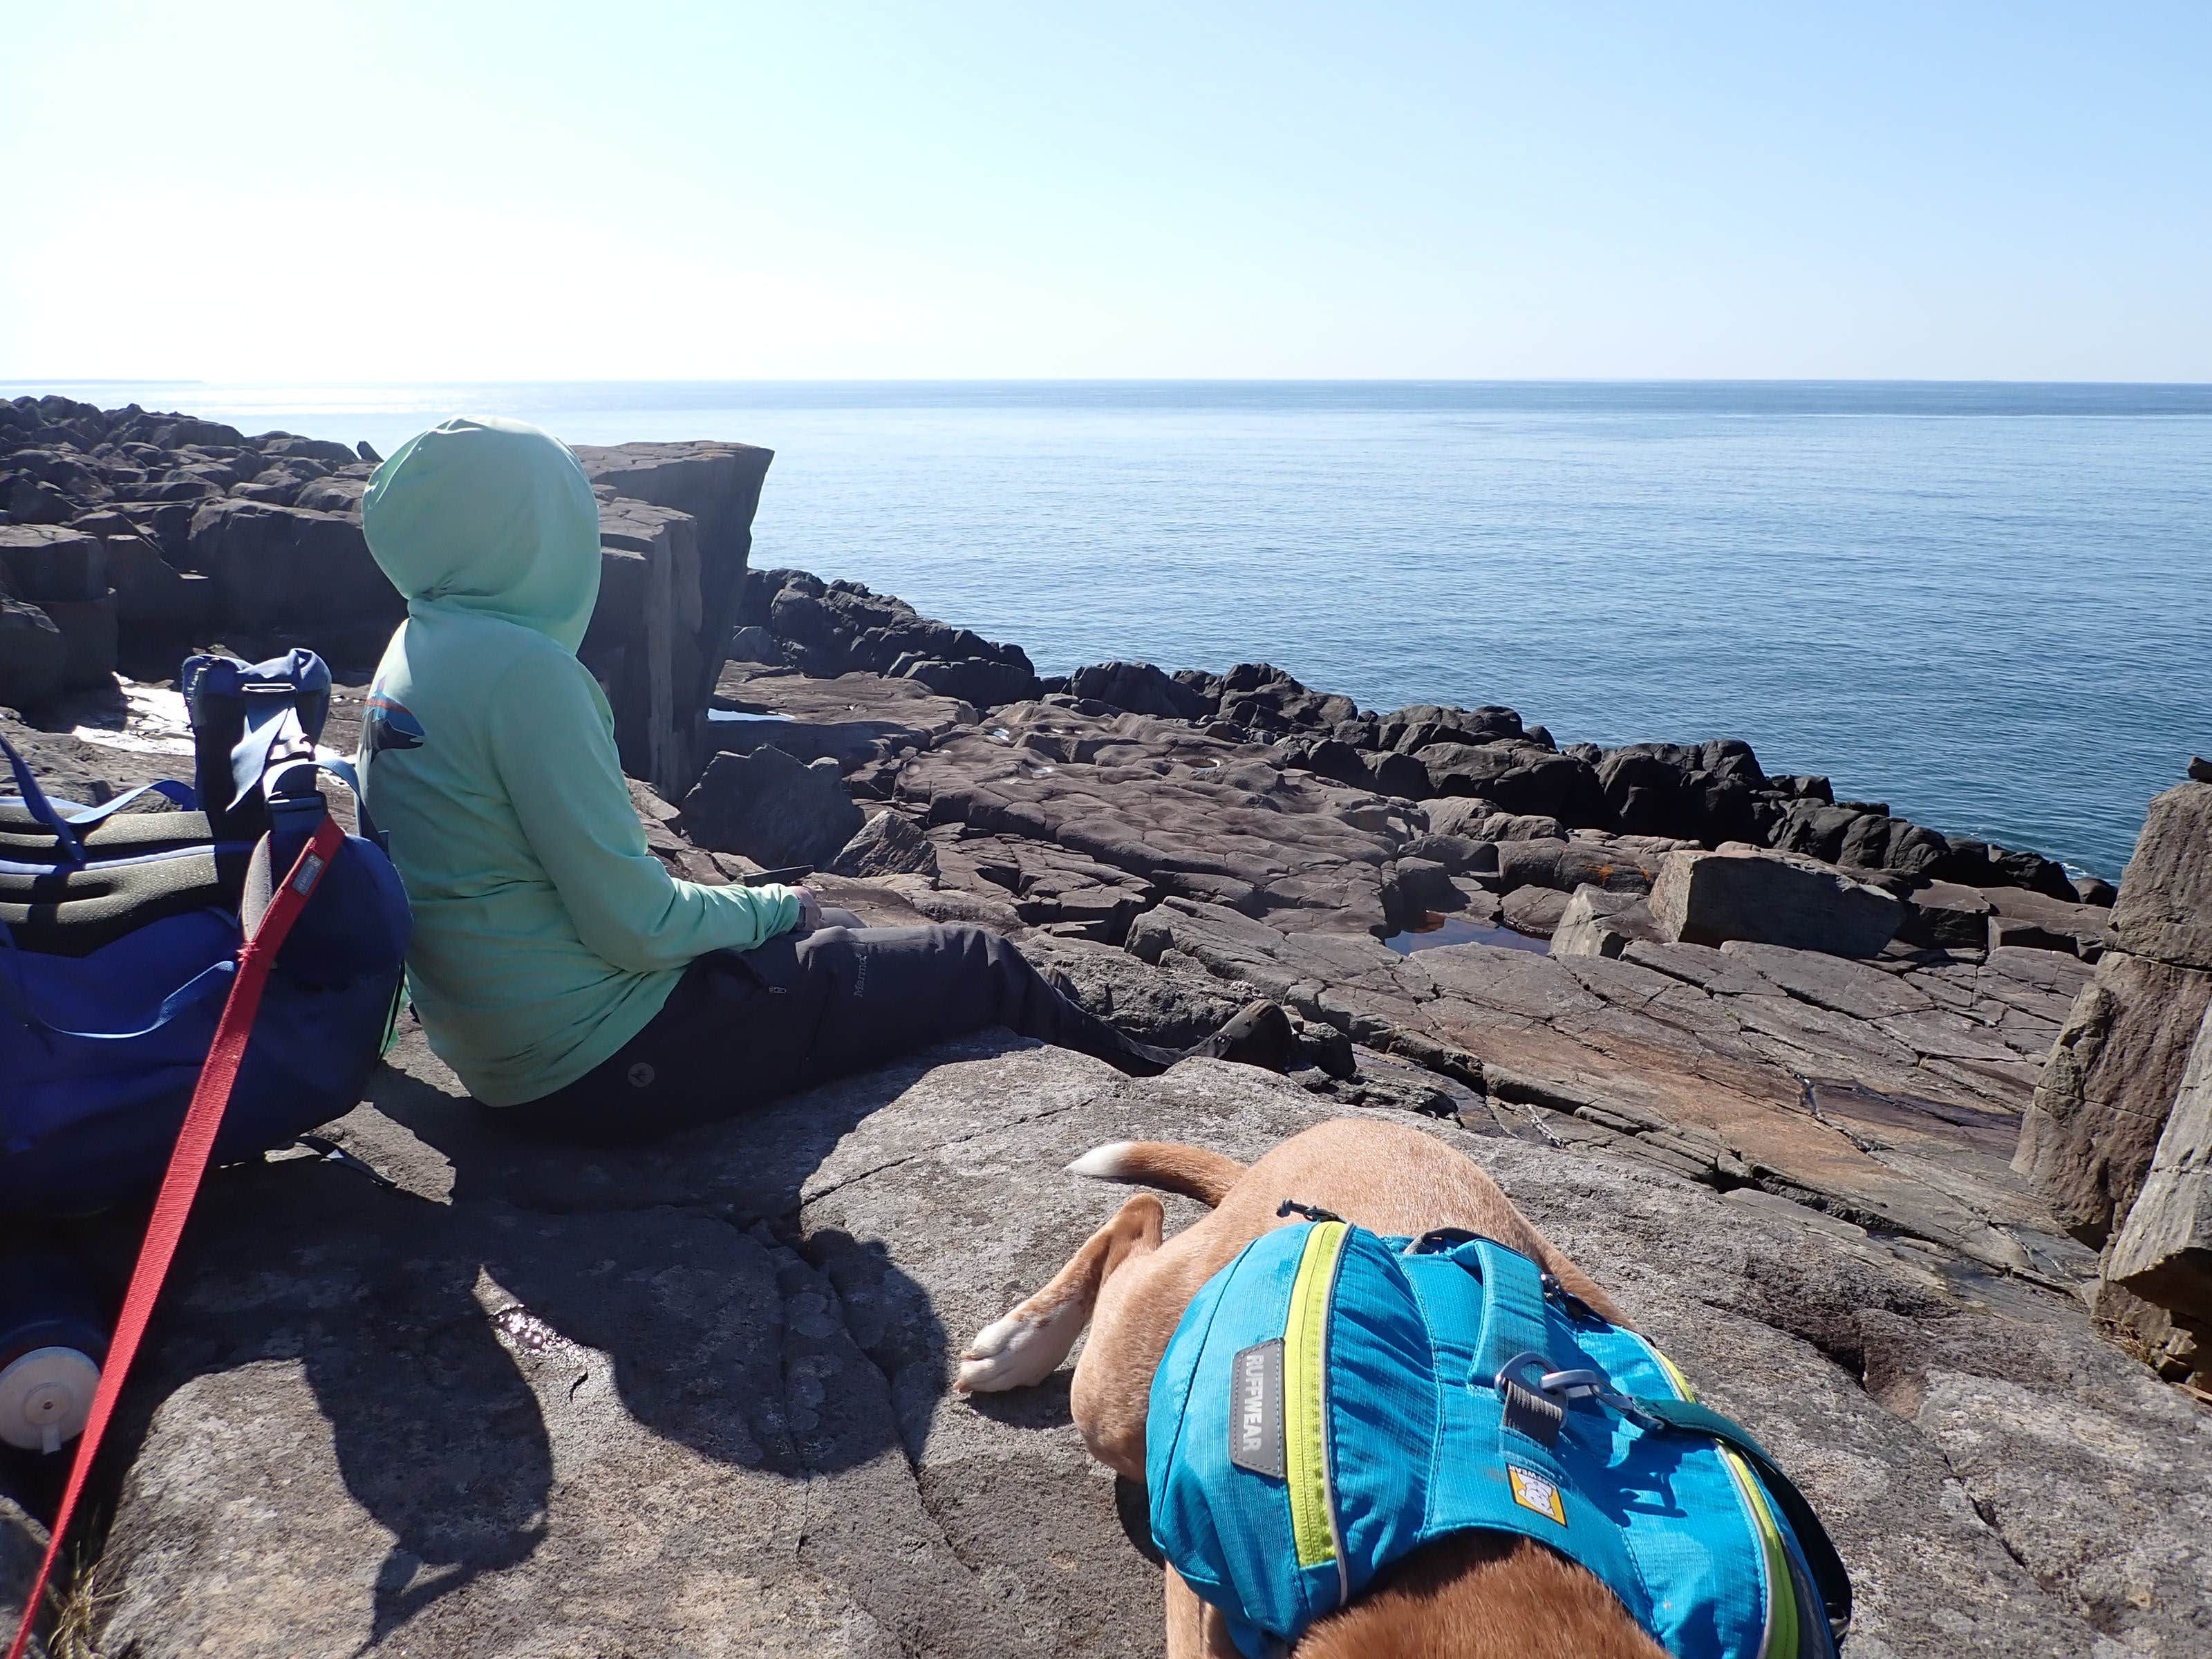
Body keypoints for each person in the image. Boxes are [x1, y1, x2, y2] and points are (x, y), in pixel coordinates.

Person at [355, 416, 1295, 1144]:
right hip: (604, 1063)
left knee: (834, 932)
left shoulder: (420, 646)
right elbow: (633, 926)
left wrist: (778, 916)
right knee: (979, 962)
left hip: (505, 1049)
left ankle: (1159, 1066)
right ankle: (1183, 1094)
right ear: (531, 533)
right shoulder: (528, 677)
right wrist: (777, 905)